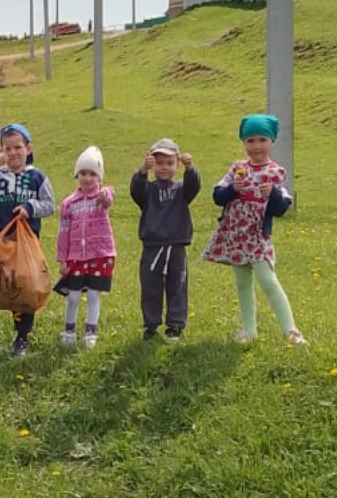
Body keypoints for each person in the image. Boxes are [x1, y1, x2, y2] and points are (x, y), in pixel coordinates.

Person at [202, 114, 307, 346]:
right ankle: (249, 332)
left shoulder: (275, 172)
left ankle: (291, 330)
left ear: (271, 142)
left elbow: (282, 207)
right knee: (242, 282)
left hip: (257, 235)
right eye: (250, 140)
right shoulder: (237, 169)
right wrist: (232, 189)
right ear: (243, 142)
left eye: (262, 139)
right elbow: (218, 195)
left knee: (268, 280)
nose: (256, 146)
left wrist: (273, 194)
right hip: (235, 234)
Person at [0, 122, 56, 356]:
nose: (13, 153)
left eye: (18, 147)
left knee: (26, 287)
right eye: (7, 148)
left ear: (28, 148)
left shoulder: (37, 177)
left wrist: (30, 208)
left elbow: (49, 205)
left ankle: (22, 336)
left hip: (26, 241)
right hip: (1, 241)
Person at [129, 137, 200, 342]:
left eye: (170, 163)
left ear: (176, 165)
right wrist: (142, 171)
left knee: (177, 285)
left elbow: (193, 186)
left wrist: (190, 168)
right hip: (152, 246)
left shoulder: (180, 189)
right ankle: (151, 325)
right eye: (159, 163)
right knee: (151, 287)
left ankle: (175, 325)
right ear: (152, 164)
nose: (164, 168)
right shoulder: (148, 190)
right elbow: (135, 190)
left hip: (176, 245)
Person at [54, 146, 116, 348]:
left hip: (99, 255)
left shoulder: (102, 198)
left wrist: (104, 193)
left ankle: (91, 331)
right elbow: (63, 232)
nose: (87, 178)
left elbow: (108, 196)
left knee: (92, 294)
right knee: (72, 296)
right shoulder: (68, 203)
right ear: (76, 174)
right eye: (83, 173)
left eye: (92, 174)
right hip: (75, 256)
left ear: (99, 177)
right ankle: (69, 330)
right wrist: (62, 258)